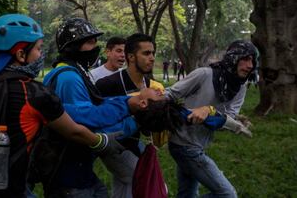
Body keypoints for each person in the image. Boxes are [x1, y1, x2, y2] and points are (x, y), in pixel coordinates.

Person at [0, 13, 124, 197]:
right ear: (21, 54)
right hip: (57, 174)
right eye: (38, 48)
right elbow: (76, 126)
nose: (41, 55)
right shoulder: (35, 91)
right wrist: (106, 138)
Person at [41, 18, 162, 197]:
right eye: (90, 42)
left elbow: (96, 106)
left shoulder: (76, 72)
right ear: (73, 46)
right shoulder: (69, 78)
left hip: (82, 169)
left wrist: (132, 103)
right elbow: (89, 120)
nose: (95, 47)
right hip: (69, 173)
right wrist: (132, 111)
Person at [166, 40, 257, 197]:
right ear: (233, 58)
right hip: (184, 144)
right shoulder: (204, 74)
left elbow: (228, 118)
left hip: (199, 144)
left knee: (187, 193)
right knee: (227, 194)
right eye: (245, 59)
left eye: (253, 61)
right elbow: (171, 94)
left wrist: (211, 112)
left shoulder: (240, 87)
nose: (250, 66)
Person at [95, 33, 165, 198]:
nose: (152, 58)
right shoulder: (107, 84)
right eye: (146, 53)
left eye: (153, 53)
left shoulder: (149, 85)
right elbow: (98, 119)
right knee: (141, 180)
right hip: (112, 145)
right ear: (131, 57)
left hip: (135, 143)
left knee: (125, 187)